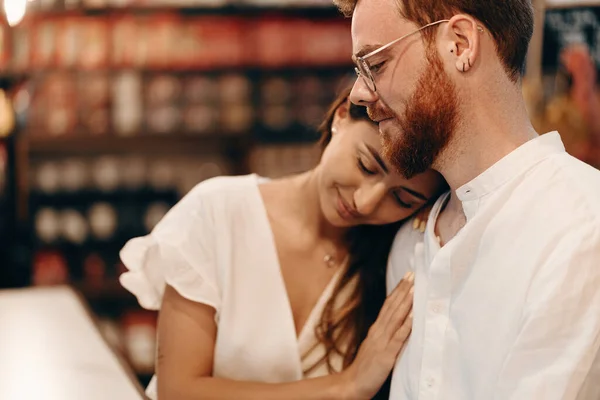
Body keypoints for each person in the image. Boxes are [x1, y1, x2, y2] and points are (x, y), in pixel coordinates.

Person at [334, 0, 600, 398]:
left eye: (377, 64)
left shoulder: (581, 226)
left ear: (459, 44)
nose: (358, 92)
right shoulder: (409, 241)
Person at [119, 87, 447, 400]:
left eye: (402, 199)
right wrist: (345, 387)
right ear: (341, 117)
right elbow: (178, 392)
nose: (365, 202)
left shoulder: (395, 258)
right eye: (366, 165)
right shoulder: (216, 213)